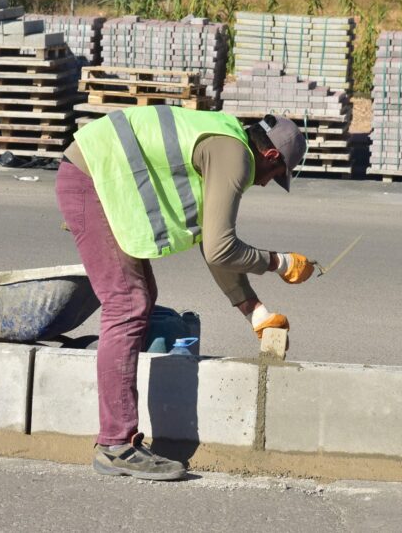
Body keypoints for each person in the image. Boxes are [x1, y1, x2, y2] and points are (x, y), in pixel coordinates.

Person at [55, 105, 314, 481]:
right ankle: (116, 444)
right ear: (270, 155)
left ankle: (118, 424)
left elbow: (213, 245)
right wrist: (280, 262)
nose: (265, 184)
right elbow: (221, 248)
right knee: (127, 303)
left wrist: (253, 310)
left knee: (139, 296)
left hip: (97, 175)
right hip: (92, 178)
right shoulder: (235, 156)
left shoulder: (226, 139)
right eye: (274, 176)